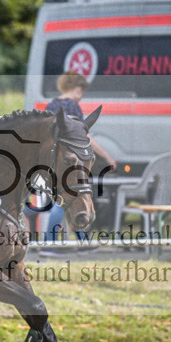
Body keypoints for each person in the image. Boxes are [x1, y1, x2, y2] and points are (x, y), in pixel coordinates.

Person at [41, 71, 116, 245]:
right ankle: (49, 242)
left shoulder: (51, 105)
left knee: (66, 200)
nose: (81, 97)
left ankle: (83, 243)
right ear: (77, 88)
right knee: (65, 201)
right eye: (82, 92)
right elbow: (86, 136)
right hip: (69, 162)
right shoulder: (72, 106)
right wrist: (107, 156)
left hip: (52, 162)